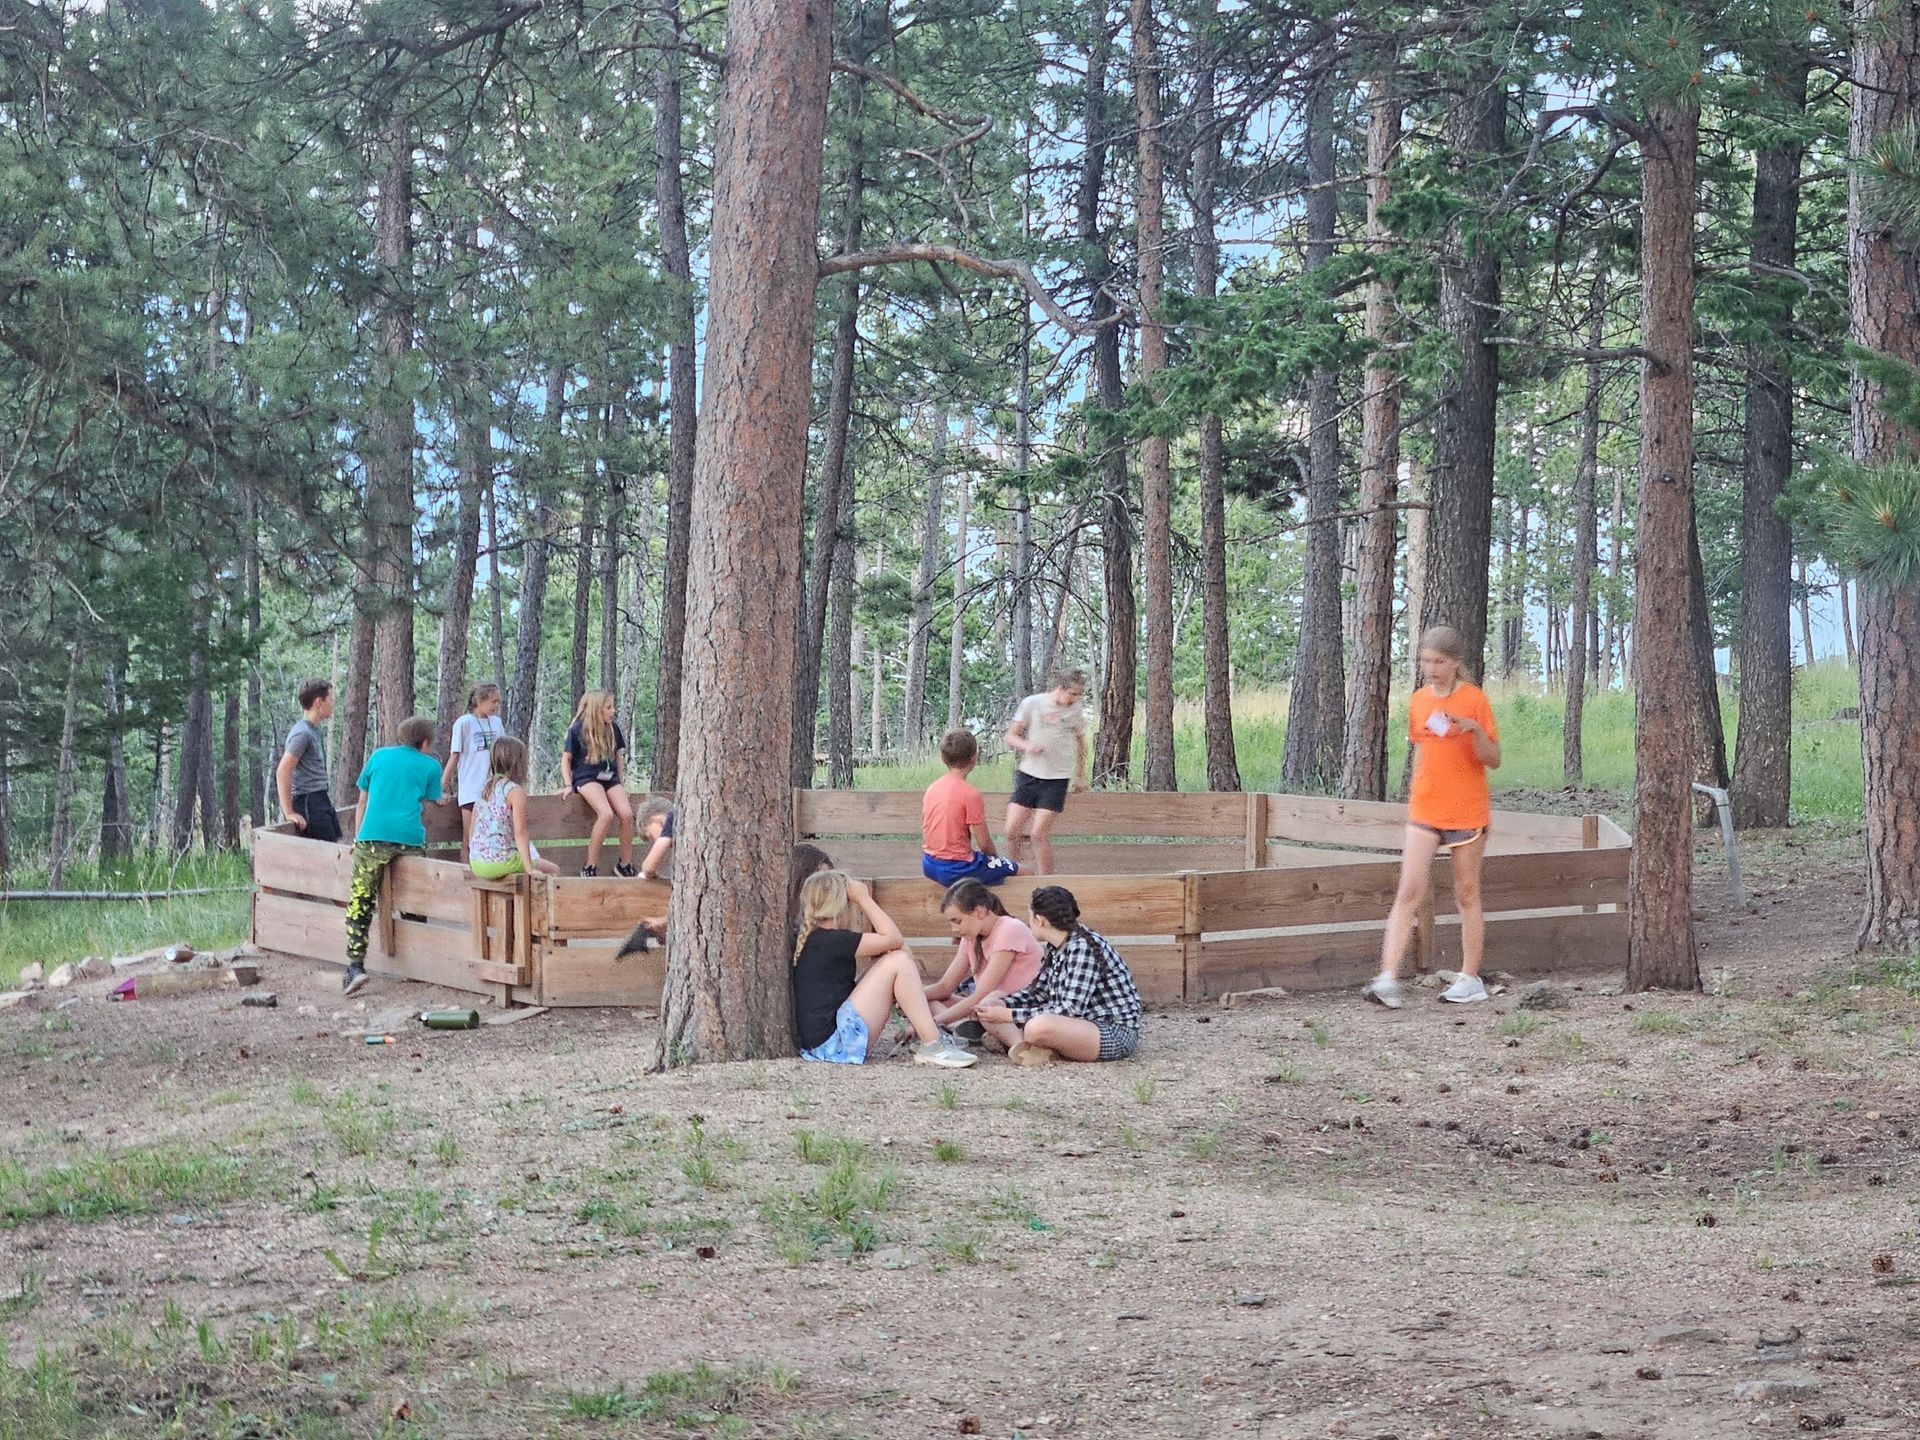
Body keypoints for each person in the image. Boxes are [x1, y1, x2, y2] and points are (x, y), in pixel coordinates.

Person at [1363, 624, 1503, 1009]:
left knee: (1466, 893)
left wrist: (1473, 730)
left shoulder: (1474, 700)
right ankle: (1387, 978)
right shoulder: (1420, 700)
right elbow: (1422, 748)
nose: (1431, 667)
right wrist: (1416, 795)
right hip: (1426, 807)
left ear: (1456, 663)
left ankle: (1470, 977)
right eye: (1425, 660)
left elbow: (1493, 758)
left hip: (1466, 809)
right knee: (1408, 890)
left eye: (1439, 661)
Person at [791, 870, 976, 1068]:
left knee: (894, 957)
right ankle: (933, 1044)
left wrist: (877, 967)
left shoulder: (819, 939)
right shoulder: (831, 940)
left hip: (828, 1042)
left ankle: (927, 1034)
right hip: (836, 1044)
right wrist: (864, 899)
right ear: (842, 906)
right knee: (899, 960)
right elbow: (894, 938)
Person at [976, 884, 1142, 1066]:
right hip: (1076, 1024)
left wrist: (1008, 1015)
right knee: (991, 1000)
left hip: (1110, 1031)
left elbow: (1070, 1009)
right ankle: (1023, 1047)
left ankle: (1024, 1042)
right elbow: (1039, 993)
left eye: (1030, 917)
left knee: (1037, 1027)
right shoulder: (1056, 945)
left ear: (1040, 920)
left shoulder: (1082, 948)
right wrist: (1004, 1004)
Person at [344, 716, 447, 996]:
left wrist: (358, 837)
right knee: (415, 900)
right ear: (424, 743)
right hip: (409, 839)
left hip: (372, 836)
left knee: (361, 899)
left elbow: (362, 800)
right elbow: (432, 797)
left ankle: (355, 966)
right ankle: (416, 961)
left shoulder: (378, 757)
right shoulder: (430, 765)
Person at [619, 840, 834, 963]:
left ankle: (653, 931)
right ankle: (653, 932)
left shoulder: (801, 908)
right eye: (817, 878)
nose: (823, 887)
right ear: (801, 876)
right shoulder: (780, 904)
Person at [926, 878, 1044, 1038]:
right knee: (928, 1001)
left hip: (1016, 1006)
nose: (954, 929)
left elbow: (982, 993)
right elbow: (945, 987)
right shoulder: (970, 937)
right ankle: (961, 1028)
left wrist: (933, 1022)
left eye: (957, 921)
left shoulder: (1010, 928)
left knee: (987, 1002)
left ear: (979, 912)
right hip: (987, 1006)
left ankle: (1010, 1039)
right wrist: (905, 997)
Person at [1003, 668, 1089, 877]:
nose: (1075, 699)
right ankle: (1016, 869)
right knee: (1011, 830)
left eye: (1079, 695)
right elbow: (1011, 736)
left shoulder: (1075, 711)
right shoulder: (1033, 703)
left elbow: (1081, 743)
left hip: (1056, 778)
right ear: (1061, 688)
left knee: (1038, 834)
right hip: (1029, 774)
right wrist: (1027, 746)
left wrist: (1080, 774)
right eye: (1073, 694)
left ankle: (1045, 880)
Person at [921, 730, 1019, 887]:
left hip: (930, 863)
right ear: (974, 758)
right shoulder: (970, 793)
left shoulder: (932, 788)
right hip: (957, 867)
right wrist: (995, 859)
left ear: (943, 758)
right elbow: (984, 842)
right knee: (1024, 872)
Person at [562, 690, 636, 877]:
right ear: (596, 709)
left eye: (613, 706)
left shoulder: (613, 728)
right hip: (586, 777)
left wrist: (621, 782)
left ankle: (625, 863)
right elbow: (566, 759)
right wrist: (568, 784)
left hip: (609, 777)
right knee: (605, 814)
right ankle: (590, 865)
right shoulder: (577, 729)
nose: (613, 711)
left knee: (626, 814)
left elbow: (618, 757)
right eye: (608, 707)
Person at [467, 737, 560, 882]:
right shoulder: (514, 791)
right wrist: (529, 868)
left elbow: (473, 828)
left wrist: (474, 854)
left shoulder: (485, 788)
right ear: (518, 764)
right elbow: (520, 832)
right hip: (499, 861)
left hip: (477, 861)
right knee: (553, 870)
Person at [442, 682, 505, 861]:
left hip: (493, 788)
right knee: (470, 839)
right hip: (471, 788)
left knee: (493, 836)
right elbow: (454, 756)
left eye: (498, 702)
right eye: (493, 701)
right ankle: (466, 877)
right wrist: (442, 786)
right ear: (480, 700)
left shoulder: (496, 722)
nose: (496, 706)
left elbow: (503, 752)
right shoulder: (464, 723)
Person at [276, 678, 340, 842]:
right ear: (319, 702)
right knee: (326, 857)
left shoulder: (313, 731)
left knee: (335, 851)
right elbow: (283, 771)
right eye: (331, 699)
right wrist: (289, 812)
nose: (334, 703)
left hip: (320, 799)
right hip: (308, 802)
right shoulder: (302, 733)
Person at [636, 797, 674, 882]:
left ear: (655, 821)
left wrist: (644, 874)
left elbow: (649, 868)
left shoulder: (671, 818)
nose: (655, 842)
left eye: (651, 837)